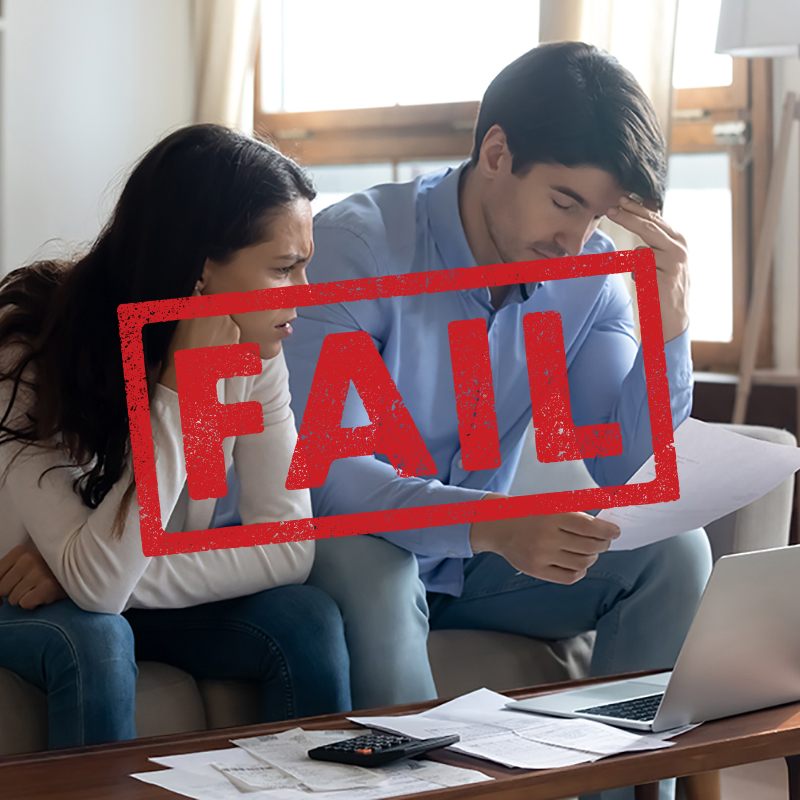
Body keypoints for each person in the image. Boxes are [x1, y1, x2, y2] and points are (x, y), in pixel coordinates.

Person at [0, 124, 350, 751]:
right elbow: (99, 593)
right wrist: (175, 395)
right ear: (201, 266)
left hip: (103, 584)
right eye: (283, 268)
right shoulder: (29, 343)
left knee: (307, 619)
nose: (306, 294)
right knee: (96, 637)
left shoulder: (255, 351)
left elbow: (290, 546)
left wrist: (82, 569)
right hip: (12, 595)